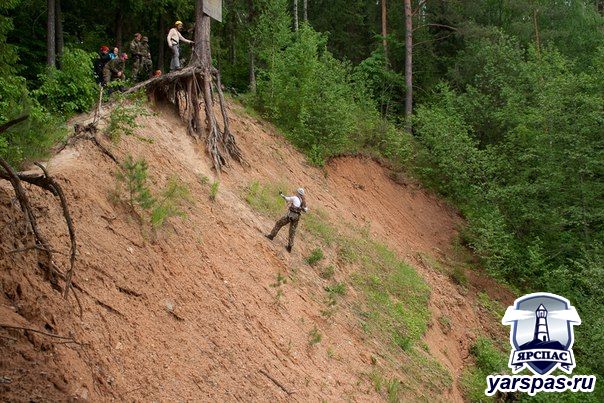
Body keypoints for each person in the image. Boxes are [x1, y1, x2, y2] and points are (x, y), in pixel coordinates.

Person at [266, 188, 308, 252]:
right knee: (292, 231)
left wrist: (281, 195)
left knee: (279, 223)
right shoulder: (303, 201)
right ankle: (289, 247)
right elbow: (305, 210)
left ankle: (271, 236)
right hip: (296, 217)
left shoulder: (295, 198)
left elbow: (286, 198)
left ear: (298, 193)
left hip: (290, 215)